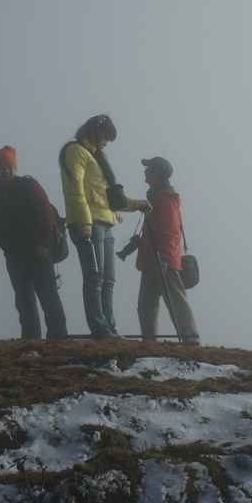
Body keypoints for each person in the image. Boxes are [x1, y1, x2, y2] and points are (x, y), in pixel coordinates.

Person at [59, 115, 150, 340]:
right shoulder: (76, 151)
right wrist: (85, 222)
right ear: (94, 132)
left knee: (107, 280)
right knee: (95, 277)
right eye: (106, 137)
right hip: (90, 225)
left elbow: (108, 197)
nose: (106, 143)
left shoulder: (95, 157)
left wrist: (134, 203)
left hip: (105, 225)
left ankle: (110, 328)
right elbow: (75, 189)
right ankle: (100, 330)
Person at [0, 146, 68, 339]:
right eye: (0, 167)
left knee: (48, 298)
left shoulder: (30, 186)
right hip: (13, 257)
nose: (5, 170)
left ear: (15, 166)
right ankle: (30, 342)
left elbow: (47, 215)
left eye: (8, 166)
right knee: (24, 303)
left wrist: (42, 242)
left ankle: (58, 339)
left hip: (38, 251)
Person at [135, 156, 200, 347]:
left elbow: (171, 231)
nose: (145, 171)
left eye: (149, 168)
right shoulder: (158, 195)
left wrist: (163, 259)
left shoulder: (164, 197)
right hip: (152, 259)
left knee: (175, 302)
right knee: (146, 305)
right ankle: (150, 343)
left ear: (157, 172)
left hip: (163, 259)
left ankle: (191, 342)